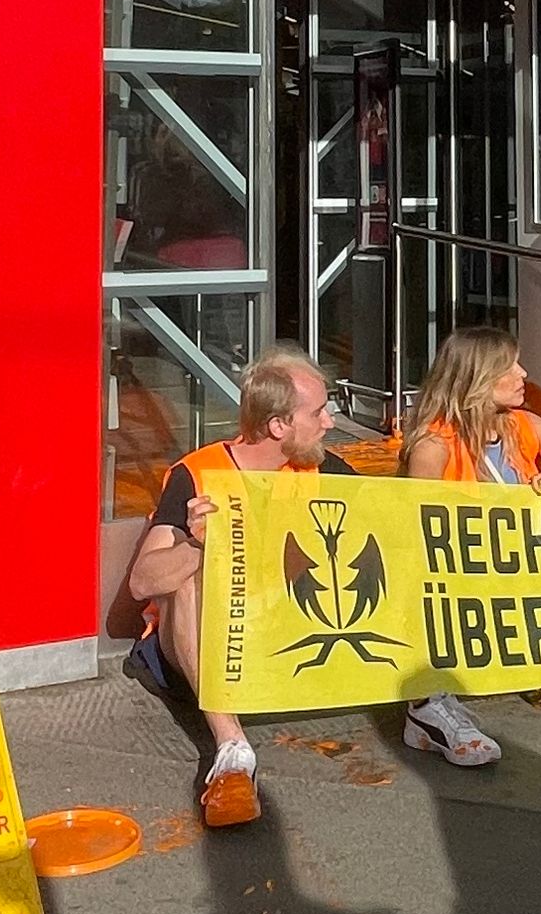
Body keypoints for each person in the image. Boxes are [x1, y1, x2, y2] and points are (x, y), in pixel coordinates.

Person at [123, 349, 363, 824]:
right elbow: (142, 582)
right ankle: (232, 747)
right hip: (201, 643)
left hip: (280, 637)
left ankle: (430, 709)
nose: (330, 423)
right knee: (186, 581)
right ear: (278, 426)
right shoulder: (198, 474)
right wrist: (199, 545)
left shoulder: (326, 471)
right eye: (318, 413)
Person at [397, 330, 541, 763]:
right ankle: (427, 706)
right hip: (459, 584)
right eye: (509, 367)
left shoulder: (523, 426)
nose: (524, 374)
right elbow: (416, 532)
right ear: (477, 378)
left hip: (522, 578)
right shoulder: (434, 444)